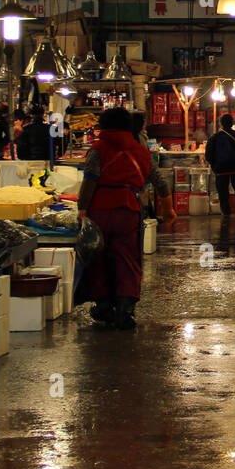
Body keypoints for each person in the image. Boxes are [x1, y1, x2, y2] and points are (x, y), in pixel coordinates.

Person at [76, 108, 173, 328]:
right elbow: (160, 182)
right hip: (128, 210)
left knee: (98, 258)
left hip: (99, 209)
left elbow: (90, 180)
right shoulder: (141, 152)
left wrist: (82, 208)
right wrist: (168, 208)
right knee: (127, 259)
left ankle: (102, 307)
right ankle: (124, 310)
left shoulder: (98, 148)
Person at [206, 114, 235, 218]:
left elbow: (208, 155)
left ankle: (226, 212)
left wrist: (215, 166)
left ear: (220, 123)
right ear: (232, 123)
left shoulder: (214, 137)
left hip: (221, 169)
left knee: (223, 193)